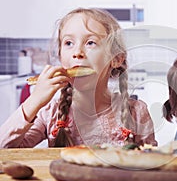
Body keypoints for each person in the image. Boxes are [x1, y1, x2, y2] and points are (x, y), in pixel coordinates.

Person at [0, 8, 157, 148]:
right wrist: (33, 101)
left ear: (116, 58)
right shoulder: (50, 112)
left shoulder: (136, 112)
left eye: (90, 43)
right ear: (60, 56)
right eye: (69, 43)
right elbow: (4, 149)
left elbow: (150, 164)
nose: (77, 52)